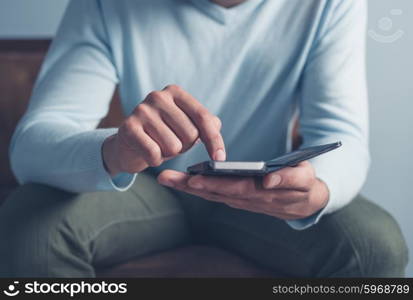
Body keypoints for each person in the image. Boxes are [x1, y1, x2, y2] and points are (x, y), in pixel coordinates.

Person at [0, 0, 408, 277]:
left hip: (263, 196)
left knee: (374, 247)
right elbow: (32, 145)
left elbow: (342, 136)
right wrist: (118, 151)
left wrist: (318, 189)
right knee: (30, 232)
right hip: (146, 187)